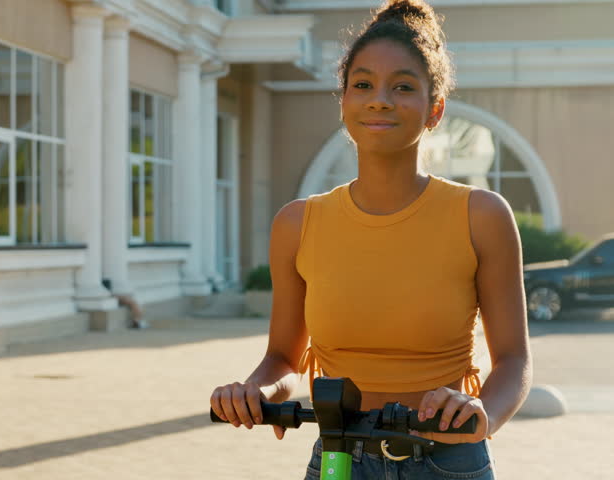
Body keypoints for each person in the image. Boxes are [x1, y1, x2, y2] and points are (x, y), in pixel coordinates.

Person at [209, 0, 532, 478]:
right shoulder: (297, 224)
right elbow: (283, 358)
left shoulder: (481, 215)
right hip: (338, 460)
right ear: (343, 102)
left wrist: (483, 415)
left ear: (435, 110)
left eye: (403, 87)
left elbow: (514, 359)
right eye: (362, 85)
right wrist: (255, 391)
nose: (380, 99)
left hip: (447, 461)